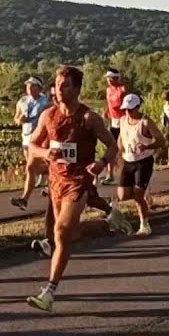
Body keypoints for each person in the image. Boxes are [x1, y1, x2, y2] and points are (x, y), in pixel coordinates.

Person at [26, 66, 119, 312]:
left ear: (77, 89)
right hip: (56, 182)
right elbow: (32, 145)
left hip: (79, 182)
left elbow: (112, 146)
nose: (58, 89)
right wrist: (46, 152)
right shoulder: (48, 116)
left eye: (65, 85)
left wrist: (101, 163)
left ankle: (49, 292)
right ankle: (108, 222)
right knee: (65, 237)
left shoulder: (89, 118)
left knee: (61, 230)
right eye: (57, 84)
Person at [116, 93, 164, 236]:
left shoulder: (145, 122)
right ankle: (144, 193)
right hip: (128, 160)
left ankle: (144, 224)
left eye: (130, 109)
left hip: (143, 161)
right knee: (123, 195)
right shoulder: (123, 120)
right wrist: (118, 155)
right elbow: (121, 138)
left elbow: (161, 140)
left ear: (137, 107)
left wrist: (148, 146)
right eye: (125, 109)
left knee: (138, 197)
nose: (128, 112)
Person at [10, 76, 50, 210]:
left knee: (31, 169)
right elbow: (16, 118)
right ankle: (54, 178)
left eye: (32, 85)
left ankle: (25, 199)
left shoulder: (45, 102)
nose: (29, 88)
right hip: (26, 138)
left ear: (39, 88)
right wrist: (19, 119)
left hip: (40, 139)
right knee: (33, 168)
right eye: (27, 85)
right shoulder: (22, 101)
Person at [101, 69, 126, 184]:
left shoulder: (122, 89)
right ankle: (110, 175)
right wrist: (106, 111)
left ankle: (124, 173)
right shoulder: (108, 90)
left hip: (123, 120)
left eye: (110, 78)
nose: (108, 80)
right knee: (111, 147)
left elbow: (127, 105)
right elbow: (109, 102)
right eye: (107, 78)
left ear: (116, 78)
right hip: (113, 121)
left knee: (122, 148)